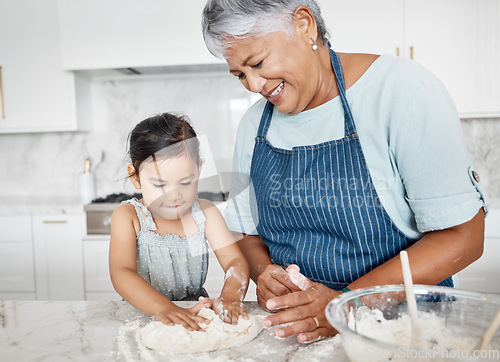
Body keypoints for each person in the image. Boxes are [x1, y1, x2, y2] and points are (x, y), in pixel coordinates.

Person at [201, 0, 489, 343]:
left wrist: (346, 304)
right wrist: (264, 272)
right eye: (240, 75)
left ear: (304, 24)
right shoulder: (254, 125)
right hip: (293, 336)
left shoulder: (402, 90)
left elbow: (463, 237)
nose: (253, 85)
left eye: (258, 63)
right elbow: (246, 235)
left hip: (405, 332)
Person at [109, 113, 250, 331]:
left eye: (185, 182)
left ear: (199, 169)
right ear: (135, 176)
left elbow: (235, 262)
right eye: (159, 185)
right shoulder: (129, 216)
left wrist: (231, 295)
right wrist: (163, 308)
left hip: (192, 316)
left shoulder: (206, 213)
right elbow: (121, 273)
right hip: (141, 318)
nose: (174, 196)